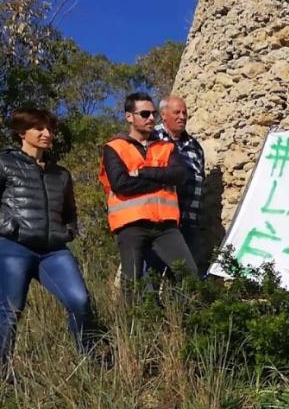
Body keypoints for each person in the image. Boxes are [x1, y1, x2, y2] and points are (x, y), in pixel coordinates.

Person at [0, 108, 99, 372]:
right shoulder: (5, 163)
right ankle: (3, 375)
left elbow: (70, 212)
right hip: (13, 247)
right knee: (10, 312)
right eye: (39, 129)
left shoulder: (60, 174)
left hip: (54, 251)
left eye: (50, 129)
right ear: (22, 132)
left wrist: (68, 231)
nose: (47, 134)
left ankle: (88, 363)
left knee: (79, 300)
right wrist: (9, 227)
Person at [99, 92, 197, 285]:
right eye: (144, 114)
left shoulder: (166, 147)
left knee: (189, 274)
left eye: (153, 113)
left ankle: (180, 315)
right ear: (129, 117)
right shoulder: (114, 147)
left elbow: (179, 175)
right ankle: (132, 317)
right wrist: (162, 179)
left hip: (165, 225)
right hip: (131, 224)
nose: (151, 118)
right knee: (132, 281)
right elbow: (122, 185)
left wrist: (143, 172)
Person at [152, 95, 207, 274]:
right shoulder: (152, 139)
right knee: (155, 272)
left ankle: (178, 303)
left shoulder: (195, 147)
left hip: (189, 221)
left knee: (186, 276)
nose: (182, 116)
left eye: (184, 112)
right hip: (161, 221)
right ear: (163, 115)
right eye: (176, 112)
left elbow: (200, 179)